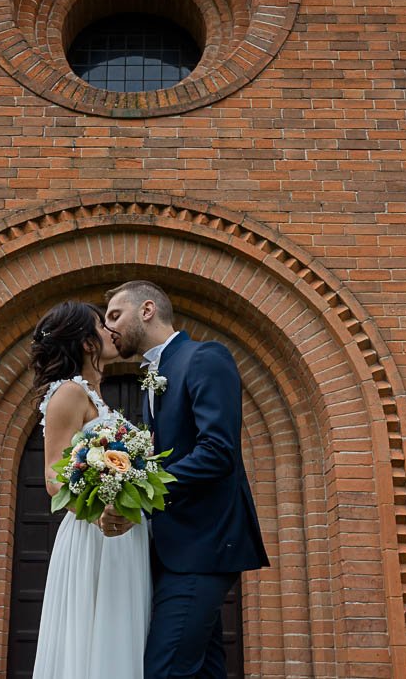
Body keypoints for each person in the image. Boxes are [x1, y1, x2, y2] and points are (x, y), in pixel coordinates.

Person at [102, 280, 269, 679]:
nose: (109, 328)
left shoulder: (205, 357)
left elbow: (218, 452)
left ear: (147, 310)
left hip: (203, 545)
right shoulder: (154, 376)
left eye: (114, 315)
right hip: (175, 549)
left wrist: (141, 490)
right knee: (204, 669)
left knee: (165, 668)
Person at [29, 300, 151, 679]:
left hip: (124, 536)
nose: (111, 331)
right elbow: (53, 476)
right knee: (95, 639)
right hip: (96, 534)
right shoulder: (68, 393)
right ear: (86, 342)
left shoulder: (96, 397)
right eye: (102, 325)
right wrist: (99, 512)